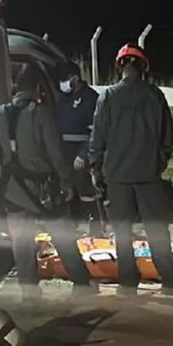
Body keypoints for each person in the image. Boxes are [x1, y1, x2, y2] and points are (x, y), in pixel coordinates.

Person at [0, 65, 94, 299]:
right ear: (37, 88)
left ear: (17, 87)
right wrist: (67, 182)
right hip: (44, 191)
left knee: (22, 242)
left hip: (13, 190)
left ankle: (29, 291)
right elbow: (56, 153)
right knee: (62, 235)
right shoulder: (40, 114)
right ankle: (82, 283)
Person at [89, 43, 173, 296]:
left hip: (116, 177)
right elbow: (168, 138)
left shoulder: (107, 96)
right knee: (156, 229)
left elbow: (97, 138)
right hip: (149, 176)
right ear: (143, 67)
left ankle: (128, 283)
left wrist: (96, 169)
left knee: (121, 231)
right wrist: (157, 164)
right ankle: (170, 281)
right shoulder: (156, 95)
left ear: (120, 66)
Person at [54, 60, 100, 224]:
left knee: (86, 191)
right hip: (63, 152)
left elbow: (96, 131)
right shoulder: (62, 99)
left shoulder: (90, 98)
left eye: (65, 79)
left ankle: (94, 226)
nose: (62, 84)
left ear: (75, 78)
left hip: (81, 153)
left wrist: (83, 154)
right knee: (66, 191)